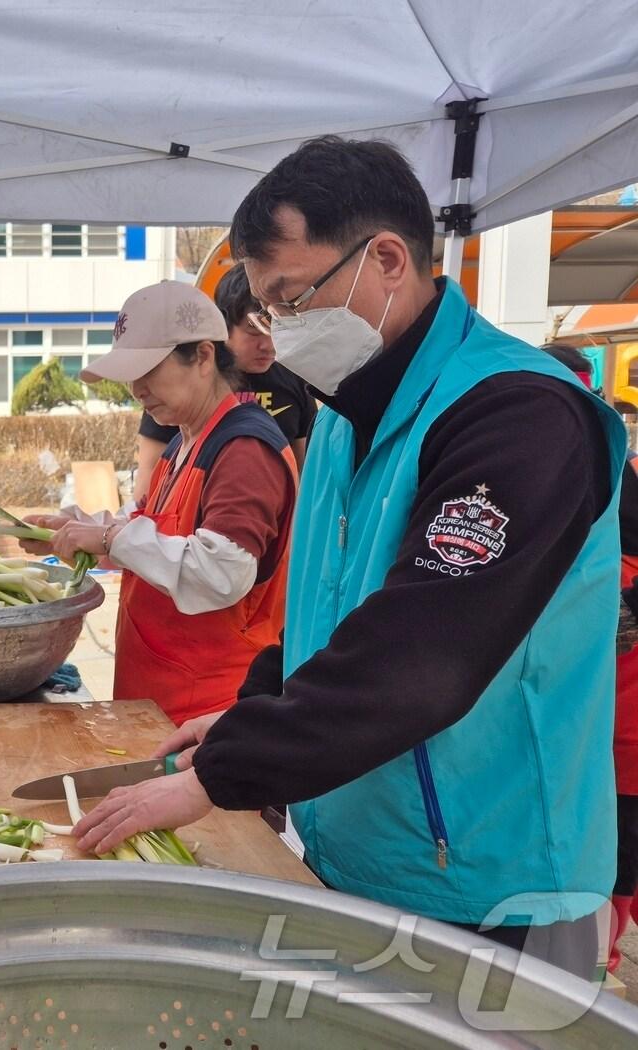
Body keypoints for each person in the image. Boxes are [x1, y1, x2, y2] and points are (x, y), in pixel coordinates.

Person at [74, 136, 625, 979]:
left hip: (492, 881)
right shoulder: (343, 414)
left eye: (292, 298)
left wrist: (224, 772)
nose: (278, 331)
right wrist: (261, 704)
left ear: (388, 261)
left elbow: (423, 653)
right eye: (264, 309)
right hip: (359, 844)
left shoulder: (520, 416)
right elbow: (332, 606)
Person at [25, 280, 298, 724]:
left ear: (204, 356)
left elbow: (221, 572)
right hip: (158, 702)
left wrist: (110, 538)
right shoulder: (184, 443)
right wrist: (76, 530)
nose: (137, 388)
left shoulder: (244, 449)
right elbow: (154, 530)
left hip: (210, 714)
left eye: (149, 369)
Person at [536, 340, 638, 974]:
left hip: (624, 714)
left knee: (621, 842)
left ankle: (605, 946)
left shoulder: (619, 475)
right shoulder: (528, 466)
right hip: (570, 712)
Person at [133, 262, 315, 503]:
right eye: (254, 330)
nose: (268, 343)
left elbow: (303, 472)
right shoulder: (188, 385)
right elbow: (150, 473)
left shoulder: (295, 378)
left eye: (277, 328)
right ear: (222, 326)